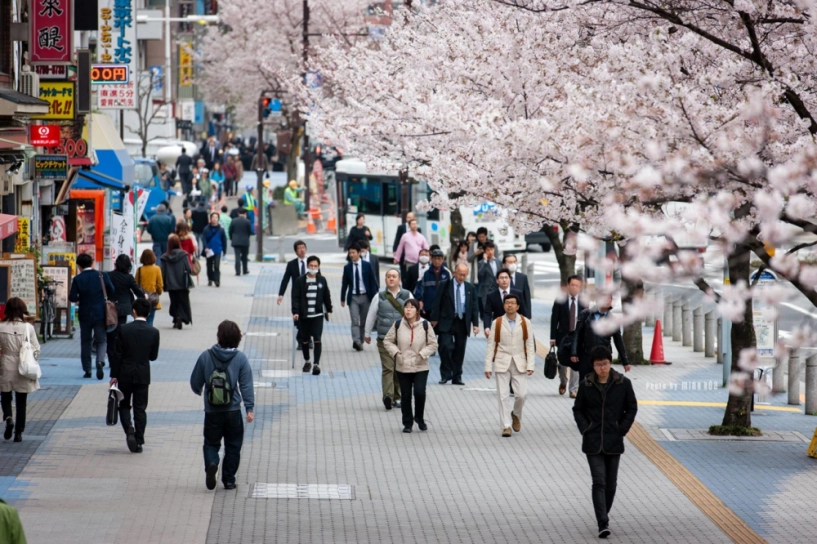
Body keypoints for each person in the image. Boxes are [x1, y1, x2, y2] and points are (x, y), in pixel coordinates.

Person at [573, 346, 638, 539]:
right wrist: (585, 428)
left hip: (614, 440)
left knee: (611, 484)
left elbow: (632, 407)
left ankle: (604, 513)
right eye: (599, 364)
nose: (603, 367)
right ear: (593, 366)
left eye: (606, 363)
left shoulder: (622, 383)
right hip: (592, 440)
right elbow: (578, 409)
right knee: (599, 481)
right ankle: (602, 522)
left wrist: (622, 428)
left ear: (610, 363)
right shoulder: (586, 385)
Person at [190, 320, 255, 491]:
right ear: (238, 338)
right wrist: (249, 408)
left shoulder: (206, 355)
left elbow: (195, 381)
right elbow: (246, 385)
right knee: (233, 445)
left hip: (212, 410)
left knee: (211, 442)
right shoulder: (240, 358)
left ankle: (212, 462)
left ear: (219, 336)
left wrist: (199, 390)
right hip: (233, 410)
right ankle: (229, 480)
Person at [110, 298, 160, 453]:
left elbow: (117, 354)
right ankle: (139, 440)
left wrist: (114, 376)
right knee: (140, 408)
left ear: (134, 311)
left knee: (124, 405)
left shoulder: (124, 329)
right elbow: (153, 356)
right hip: (143, 375)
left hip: (125, 373)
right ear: (149, 312)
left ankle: (129, 430)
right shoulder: (154, 332)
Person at [484, 293, 535, 437]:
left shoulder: (525, 322)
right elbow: (491, 345)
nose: (510, 305)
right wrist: (488, 366)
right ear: (504, 305)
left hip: (520, 362)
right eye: (507, 303)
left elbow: (530, 345)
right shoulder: (497, 322)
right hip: (502, 361)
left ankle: (516, 414)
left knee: (521, 395)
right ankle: (506, 426)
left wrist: (530, 364)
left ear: (518, 306)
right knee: (503, 396)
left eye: (513, 303)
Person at [383, 299, 438, 433]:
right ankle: (407, 423)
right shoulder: (397, 324)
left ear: (417, 310)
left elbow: (433, 344)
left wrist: (422, 354)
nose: (408, 310)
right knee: (406, 395)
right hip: (403, 365)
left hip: (420, 365)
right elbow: (387, 341)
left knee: (419, 393)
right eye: (406, 307)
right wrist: (396, 353)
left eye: (411, 307)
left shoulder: (425, 325)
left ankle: (419, 417)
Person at [364, 269, 413, 410]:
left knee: (399, 369)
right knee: (388, 368)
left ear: (399, 279)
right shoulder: (379, 296)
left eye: (394, 276)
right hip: (384, 339)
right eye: (388, 276)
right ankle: (388, 396)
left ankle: (397, 397)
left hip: (402, 340)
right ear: (385, 280)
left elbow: (414, 314)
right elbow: (371, 315)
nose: (391, 279)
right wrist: (367, 333)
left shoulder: (407, 295)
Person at [430, 263, 480, 385]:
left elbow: (474, 306)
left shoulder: (470, 288)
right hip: (446, 320)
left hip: (462, 321)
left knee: (459, 350)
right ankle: (446, 375)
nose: (461, 277)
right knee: (445, 347)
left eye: (464, 275)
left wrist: (475, 324)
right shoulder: (445, 285)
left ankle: (457, 376)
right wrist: (434, 319)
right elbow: (437, 302)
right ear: (454, 273)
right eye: (459, 274)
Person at [69, 253, 115, 379]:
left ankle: (87, 369)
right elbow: (111, 289)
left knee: (86, 342)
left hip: (84, 314)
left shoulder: (78, 279)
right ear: (92, 263)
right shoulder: (101, 275)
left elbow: (72, 297)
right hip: (100, 313)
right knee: (101, 340)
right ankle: (100, 361)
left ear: (79, 266)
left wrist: (80, 298)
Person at [0, 297, 40, 443]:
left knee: (5, 396)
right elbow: (36, 348)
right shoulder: (28, 328)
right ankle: (18, 433)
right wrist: (33, 360)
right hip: (23, 365)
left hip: (6, 364)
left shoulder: (1, 327)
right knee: (21, 400)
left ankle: (8, 418)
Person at [572, 294, 631, 382]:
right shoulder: (585, 314)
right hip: (586, 355)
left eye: (608, 298)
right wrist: (574, 353)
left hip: (603, 358)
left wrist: (625, 361)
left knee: (602, 383)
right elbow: (577, 334)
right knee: (584, 382)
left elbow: (618, 340)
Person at [292, 256, 333, 375]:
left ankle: (316, 364)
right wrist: (295, 312)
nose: (313, 268)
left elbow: (327, 296)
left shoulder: (322, 280)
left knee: (317, 339)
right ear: (307, 266)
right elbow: (295, 298)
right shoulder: (300, 281)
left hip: (318, 315)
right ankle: (307, 361)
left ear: (319, 267)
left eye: (315, 266)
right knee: (305, 340)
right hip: (304, 316)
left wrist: (329, 310)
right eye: (311, 266)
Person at [107, 255, 146, 370]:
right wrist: (144, 297)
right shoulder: (128, 278)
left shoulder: (109, 275)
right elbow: (137, 291)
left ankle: (110, 359)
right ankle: (119, 358)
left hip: (110, 309)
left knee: (110, 334)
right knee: (120, 333)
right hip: (123, 309)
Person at [551, 275, 586, 398]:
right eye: (572, 285)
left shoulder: (584, 301)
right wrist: (553, 338)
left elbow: (587, 320)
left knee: (576, 362)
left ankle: (573, 389)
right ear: (568, 285)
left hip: (577, 337)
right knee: (562, 364)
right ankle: (563, 382)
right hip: (563, 336)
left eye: (577, 285)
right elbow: (554, 320)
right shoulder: (560, 300)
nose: (574, 287)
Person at [340, 243, 378, 351]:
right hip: (353, 297)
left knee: (364, 321)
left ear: (358, 253)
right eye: (350, 253)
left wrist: (375, 296)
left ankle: (361, 341)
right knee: (355, 320)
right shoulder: (347, 267)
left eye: (353, 252)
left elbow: (372, 281)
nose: (351, 255)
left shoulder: (367, 265)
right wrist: (342, 298)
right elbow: (344, 283)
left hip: (366, 296)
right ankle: (356, 341)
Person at [160, 234, 193, 329]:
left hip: (171, 284)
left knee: (174, 301)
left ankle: (175, 318)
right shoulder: (183, 255)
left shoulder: (164, 257)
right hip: (182, 283)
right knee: (183, 301)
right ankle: (181, 316)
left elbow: (163, 272)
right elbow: (189, 269)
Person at [482, 268, 528, 336]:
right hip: (499, 328)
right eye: (501, 278)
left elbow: (523, 312)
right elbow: (487, 313)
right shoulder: (491, 295)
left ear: (510, 279)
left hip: (515, 328)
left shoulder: (518, 294)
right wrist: (487, 327)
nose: (504, 280)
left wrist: (525, 326)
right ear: (497, 280)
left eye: (506, 277)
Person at [415, 248, 451, 319]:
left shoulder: (447, 273)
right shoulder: (425, 272)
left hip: (443, 307)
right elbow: (419, 288)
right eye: (435, 258)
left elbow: (450, 290)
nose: (437, 261)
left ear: (442, 259)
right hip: (428, 307)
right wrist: (420, 301)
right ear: (431, 259)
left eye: (439, 258)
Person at [135, 249, 163, 326]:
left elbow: (136, 284)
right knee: (150, 319)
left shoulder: (139, 270)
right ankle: (149, 335)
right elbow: (160, 285)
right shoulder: (157, 269)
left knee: (142, 319)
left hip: (142, 298)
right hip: (153, 299)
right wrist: (158, 292)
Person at [277, 240, 308, 305]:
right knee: (297, 313)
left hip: (310, 292)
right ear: (295, 251)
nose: (302, 250)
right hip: (296, 294)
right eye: (299, 248)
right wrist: (281, 295)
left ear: (306, 249)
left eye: (303, 248)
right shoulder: (291, 264)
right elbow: (285, 280)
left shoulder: (312, 263)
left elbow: (319, 279)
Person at [392, 212, 422, 278]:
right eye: (408, 217)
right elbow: (397, 240)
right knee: (404, 274)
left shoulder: (418, 229)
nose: (409, 219)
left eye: (411, 217)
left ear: (415, 219)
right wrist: (395, 252)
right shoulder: (401, 228)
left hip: (416, 257)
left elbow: (423, 244)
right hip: (403, 256)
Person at [202, 212, 228, 287]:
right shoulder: (206, 229)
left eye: (216, 217)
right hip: (209, 250)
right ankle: (210, 279)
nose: (214, 219)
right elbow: (204, 239)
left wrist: (224, 251)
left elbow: (224, 240)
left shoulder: (221, 229)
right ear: (210, 219)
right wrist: (206, 247)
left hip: (218, 250)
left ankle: (217, 280)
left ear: (218, 219)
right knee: (209, 266)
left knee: (217, 266)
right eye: (213, 217)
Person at [477, 240, 503, 310]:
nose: (490, 252)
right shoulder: (481, 263)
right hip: (486, 291)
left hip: (497, 289)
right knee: (487, 311)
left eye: (491, 249)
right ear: (485, 251)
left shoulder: (499, 262)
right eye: (488, 250)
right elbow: (480, 275)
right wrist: (485, 262)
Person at [228, 209, 252, 276]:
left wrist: (231, 238)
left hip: (236, 241)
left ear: (238, 214)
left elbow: (230, 231)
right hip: (245, 241)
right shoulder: (248, 221)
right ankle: (245, 270)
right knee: (244, 256)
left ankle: (238, 271)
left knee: (237, 256)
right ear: (245, 214)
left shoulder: (234, 221)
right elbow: (250, 232)